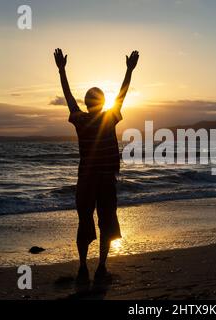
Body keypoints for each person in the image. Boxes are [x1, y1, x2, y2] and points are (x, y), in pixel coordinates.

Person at [53, 48, 139, 284]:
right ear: (102, 103)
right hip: (105, 181)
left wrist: (62, 70)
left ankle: (82, 265)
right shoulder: (109, 117)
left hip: (86, 181)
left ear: (86, 103)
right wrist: (129, 70)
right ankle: (101, 266)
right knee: (107, 222)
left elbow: (68, 96)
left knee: (84, 222)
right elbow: (123, 93)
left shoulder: (79, 119)